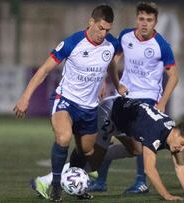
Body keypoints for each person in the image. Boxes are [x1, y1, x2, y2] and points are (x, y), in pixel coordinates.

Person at [13, 5, 127, 202]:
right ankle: (56, 185)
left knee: (87, 151)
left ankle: (73, 183)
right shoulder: (72, 42)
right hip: (66, 101)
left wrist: (113, 84)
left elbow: (111, 63)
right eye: (100, 28)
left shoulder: (111, 44)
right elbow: (43, 71)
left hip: (90, 107)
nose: (103, 33)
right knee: (64, 138)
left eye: (107, 30)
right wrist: (25, 98)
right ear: (91, 22)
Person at [32, 96, 184, 201]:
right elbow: (149, 170)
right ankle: (46, 180)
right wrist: (167, 196)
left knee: (136, 151)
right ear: (176, 131)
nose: (181, 149)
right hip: (110, 113)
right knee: (93, 162)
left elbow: (180, 165)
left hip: (126, 121)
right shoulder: (155, 132)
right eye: (183, 143)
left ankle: (96, 159)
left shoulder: (171, 135)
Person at [91, 2, 179, 194]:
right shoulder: (125, 36)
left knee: (143, 141)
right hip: (123, 95)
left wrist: (162, 102)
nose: (144, 23)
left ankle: (141, 181)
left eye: (149, 20)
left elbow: (174, 75)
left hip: (147, 98)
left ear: (155, 21)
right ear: (136, 19)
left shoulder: (161, 45)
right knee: (107, 134)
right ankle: (99, 180)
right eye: (141, 19)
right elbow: (112, 61)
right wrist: (103, 83)